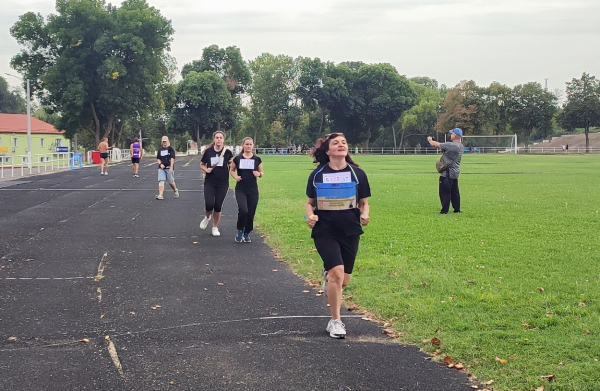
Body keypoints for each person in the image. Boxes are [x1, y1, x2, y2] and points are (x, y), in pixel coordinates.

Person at [304, 133, 371, 339]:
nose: (341, 145)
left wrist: (365, 213)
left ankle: (328, 274)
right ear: (328, 150)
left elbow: (363, 202)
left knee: (343, 281)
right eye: (336, 143)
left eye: (344, 142)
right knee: (337, 273)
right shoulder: (318, 175)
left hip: (350, 230)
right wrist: (311, 216)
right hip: (325, 230)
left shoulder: (357, 173)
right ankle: (335, 321)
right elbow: (309, 203)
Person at [199, 131, 234, 237]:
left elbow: (231, 166)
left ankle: (215, 227)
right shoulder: (208, 152)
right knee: (209, 204)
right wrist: (206, 170)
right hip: (210, 182)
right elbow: (202, 164)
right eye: (217, 137)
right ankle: (207, 217)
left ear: (223, 139)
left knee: (218, 205)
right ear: (214, 139)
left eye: (220, 138)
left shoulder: (227, 152)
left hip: (222, 182)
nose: (219, 139)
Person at [230, 137, 263, 243]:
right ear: (243, 145)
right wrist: (236, 177)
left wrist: (259, 174)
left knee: (251, 213)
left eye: (250, 144)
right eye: (247, 144)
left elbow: (261, 172)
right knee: (243, 210)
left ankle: (247, 232)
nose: (248, 146)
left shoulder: (257, 159)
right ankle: (240, 231)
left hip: (253, 189)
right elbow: (231, 170)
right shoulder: (238, 158)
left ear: (253, 146)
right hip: (241, 189)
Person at [427, 128, 464, 214]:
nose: (450, 135)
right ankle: (456, 208)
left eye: (452, 134)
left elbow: (435, 144)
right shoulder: (461, 146)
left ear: (454, 135)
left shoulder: (452, 145)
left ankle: (444, 210)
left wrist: (430, 140)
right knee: (455, 192)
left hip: (447, 173)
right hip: (455, 172)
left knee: (444, 192)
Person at [155, 135, 179, 200]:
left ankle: (175, 190)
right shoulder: (160, 150)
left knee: (170, 181)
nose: (164, 143)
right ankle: (160, 195)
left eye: (165, 141)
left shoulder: (171, 149)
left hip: (168, 167)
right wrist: (160, 164)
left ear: (168, 141)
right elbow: (158, 158)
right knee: (161, 180)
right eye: (163, 141)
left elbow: (172, 159)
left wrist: (171, 167)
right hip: (161, 168)